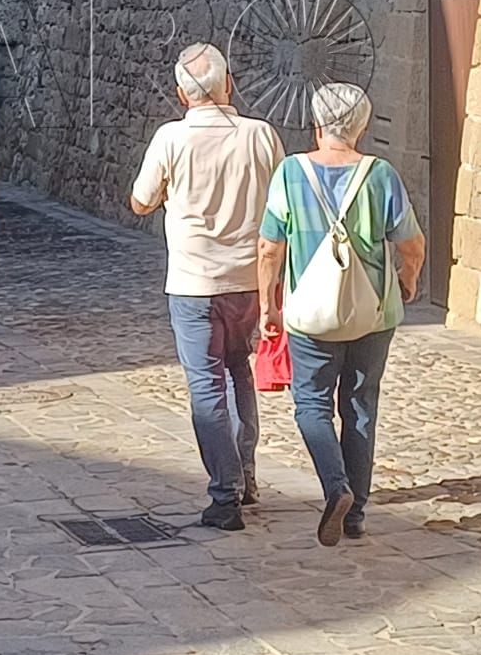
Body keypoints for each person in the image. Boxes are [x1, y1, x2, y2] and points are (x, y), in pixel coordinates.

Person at [257, 82, 426, 547]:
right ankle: (357, 514)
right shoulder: (381, 174)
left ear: (316, 124)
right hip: (372, 311)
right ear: (362, 126)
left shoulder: (291, 174)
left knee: (311, 404)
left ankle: (337, 487)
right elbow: (411, 242)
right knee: (360, 405)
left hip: (312, 312)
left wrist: (267, 304)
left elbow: (270, 247)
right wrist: (408, 277)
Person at [130, 44, 285, 532]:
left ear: (181, 93)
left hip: (195, 282)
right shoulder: (261, 135)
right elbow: (281, 207)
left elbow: (140, 201)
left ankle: (225, 494)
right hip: (248, 281)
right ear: (229, 83)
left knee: (205, 385)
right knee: (239, 369)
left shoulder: (171, 139)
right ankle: (247, 475)